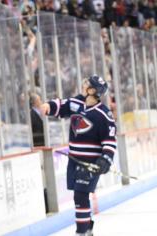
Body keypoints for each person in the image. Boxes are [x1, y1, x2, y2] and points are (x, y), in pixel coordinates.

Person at [36, 75, 116, 236]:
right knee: (79, 195)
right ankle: (88, 227)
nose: (83, 84)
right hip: (74, 161)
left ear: (92, 91)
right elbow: (62, 105)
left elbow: (109, 142)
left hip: (90, 163)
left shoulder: (103, 115)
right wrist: (48, 106)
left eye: (87, 83)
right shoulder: (77, 103)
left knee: (80, 195)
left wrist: (104, 160)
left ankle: (82, 232)